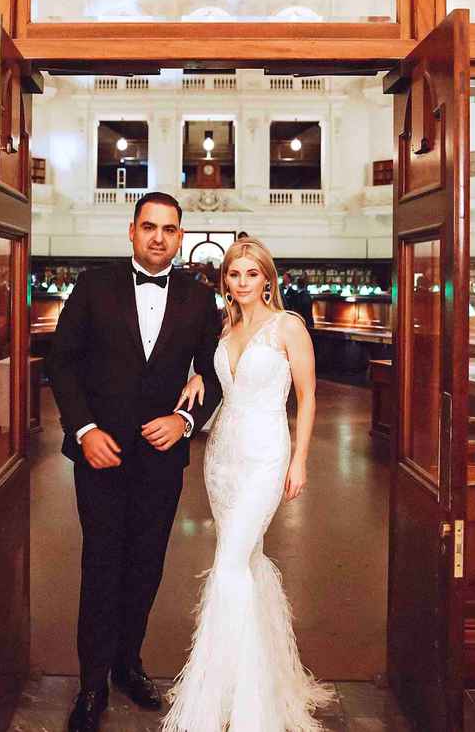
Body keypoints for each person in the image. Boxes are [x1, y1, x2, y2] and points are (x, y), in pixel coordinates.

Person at [48, 192, 223, 732]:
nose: (158, 237)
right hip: (99, 457)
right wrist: (84, 429)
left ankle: (128, 664)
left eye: (169, 229)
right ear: (131, 231)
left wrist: (186, 422)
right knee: (101, 565)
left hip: (161, 461)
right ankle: (91, 684)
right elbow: (62, 362)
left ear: (181, 236)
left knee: (146, 567)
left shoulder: (200, 299)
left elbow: (219, 373)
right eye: (149, 227)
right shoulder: (94, 285)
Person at [162, 237, 333, 732]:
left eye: (251, 274)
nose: (242, 283)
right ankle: (256, 680)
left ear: (267, 279)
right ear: (226, 282)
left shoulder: (288, 327)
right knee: (247, 561)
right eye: (234, 275)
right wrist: (198, 377)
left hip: (265, 454)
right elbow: (218, 380)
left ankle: (229, 695)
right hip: (222, 457)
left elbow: (309, 395)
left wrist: (299, 461)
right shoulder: (226, 326)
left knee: (230, 562)